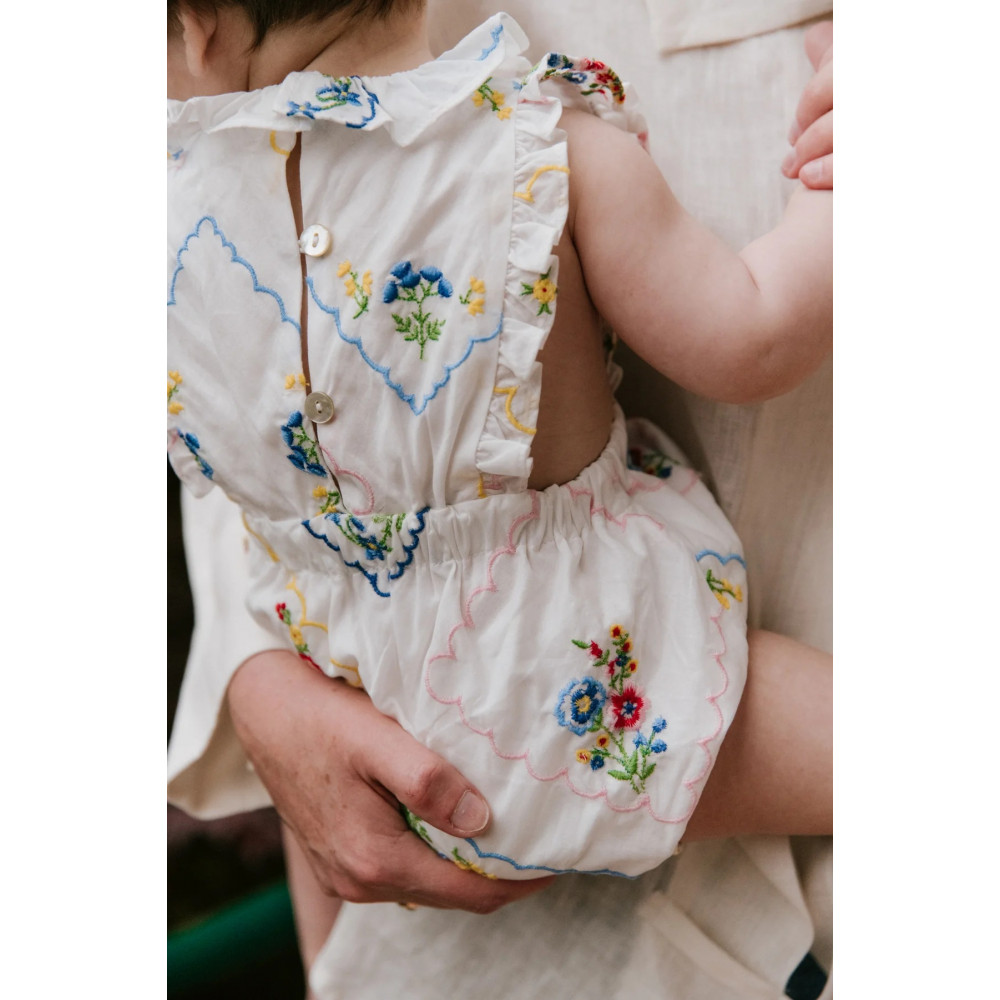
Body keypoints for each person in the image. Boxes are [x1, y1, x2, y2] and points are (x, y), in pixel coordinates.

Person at [167, 1, 833, 994]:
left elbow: (238, 476)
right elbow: (754, 339)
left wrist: (259, 675)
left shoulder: (168, 222)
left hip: (369, 725)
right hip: (578, 688)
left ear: (196, 30)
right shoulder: (541, 145)